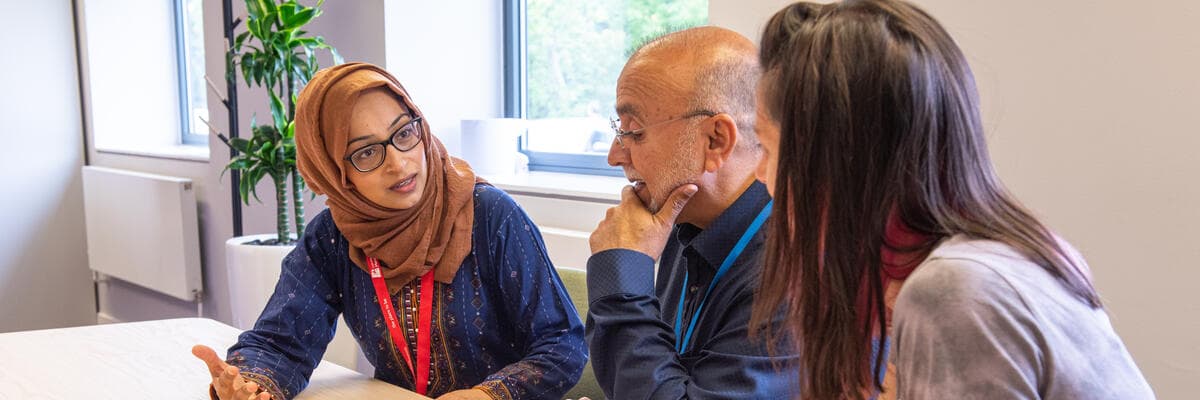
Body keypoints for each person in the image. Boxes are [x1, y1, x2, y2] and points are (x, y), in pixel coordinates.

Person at [749, 1, 1155, 399]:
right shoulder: (1010, 256)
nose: (760, 172)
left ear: (832, 161)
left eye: (766, 148)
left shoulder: (951, 290)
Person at [192, 62, 586, 400]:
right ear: (334, 171)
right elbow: (282, 341)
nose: (398, 163)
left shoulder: (491, 215)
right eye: (366, 152)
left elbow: (563, 345)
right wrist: (250, 384)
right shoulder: (334, 237)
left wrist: (489, 394)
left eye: (403, 133)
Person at [586, 26, 800, 399]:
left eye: (634, 132)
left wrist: (620, 281)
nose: (614, 155)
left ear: (716, 140)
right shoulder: (682, 219)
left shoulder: (791, 278)